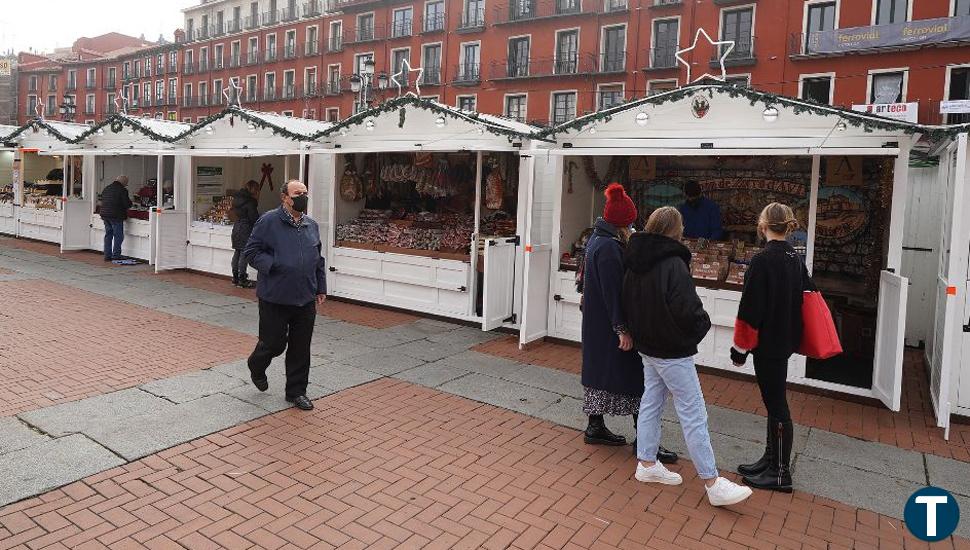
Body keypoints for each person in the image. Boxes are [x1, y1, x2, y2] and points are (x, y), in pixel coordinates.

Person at [623, 206, 752, 507]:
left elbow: (627, 300)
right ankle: (711, 481)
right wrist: (700, 327)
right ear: (676, 231)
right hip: (671, 348)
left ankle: (646, 462)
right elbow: (687, 308)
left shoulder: (633, 259)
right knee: (693, 411)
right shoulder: (673, 263)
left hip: (648, 346)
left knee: (651, 402)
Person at [580, 183, 677, 464]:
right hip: (610, 326)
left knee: (600, 375)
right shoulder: (610, 248)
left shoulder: (597, 240)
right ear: (623, 222)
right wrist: (621, 328)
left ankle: (595, 426)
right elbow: (613, 291)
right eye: (631, 222)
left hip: (598, 323)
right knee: (639, 382)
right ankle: (645, 441)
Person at [731, 202, 811, 493]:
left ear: (762, 225)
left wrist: (740, 349)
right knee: (773, 402)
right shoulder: (794, 257)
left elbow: (750, 309)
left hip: (768, 343)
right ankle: (770, 459)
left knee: (777, 405)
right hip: (785, 339)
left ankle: (780, 472)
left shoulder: (763, 260)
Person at [244, 180, 328, 411]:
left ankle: (296, 392)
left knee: (301, 347)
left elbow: (318, 258)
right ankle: (256, 364)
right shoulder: (269, 221)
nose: (302, 197)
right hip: (275, 295)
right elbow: (251, 251)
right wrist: (275, 264)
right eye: (297, 193)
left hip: (305, 296)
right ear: (285, 197)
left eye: (305, 193)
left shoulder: (311, 225)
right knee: (274, 343)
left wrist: (320, 286)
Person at [231, 180, 261, 288]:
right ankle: (242, 279)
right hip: (246, 228)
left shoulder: (236, 199)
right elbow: (254, 218)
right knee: (244, 253)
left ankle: (235, 277)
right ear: (254, 190)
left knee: (237, 252)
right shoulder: (250, 202)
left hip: (237, 227)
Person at [99, 175, 132, 261]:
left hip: (105, 215)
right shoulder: (122, 190)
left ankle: (107, 255)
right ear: (124, 183)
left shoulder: (107, 188)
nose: (126, 186)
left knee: (108, 235)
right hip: (116, 216)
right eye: (126, 184)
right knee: (118, 236)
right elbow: (127, 204)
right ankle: (116, 255)